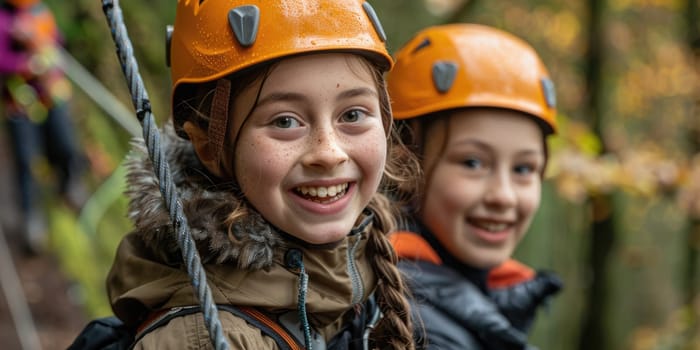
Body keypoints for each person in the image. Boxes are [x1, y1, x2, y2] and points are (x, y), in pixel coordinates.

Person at [102, 1, 416, 349]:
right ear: (208, 145)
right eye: (284, 121)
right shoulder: (205, 338)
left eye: (353, 115)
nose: (329, 153)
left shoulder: (352, 282)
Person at [386, 23, 563, 349]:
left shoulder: (473, 307)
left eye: (524, 169)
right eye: (472, 163)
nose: (503, 196)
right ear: (404, 164)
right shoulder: (407, 326)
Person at [0, 0, 87, 253]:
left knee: (66, 143)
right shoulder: (4, 20)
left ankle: (70, 186)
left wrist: (41, 45)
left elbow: (57, 42)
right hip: (20, 104)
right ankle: (31, 221)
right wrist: (28, 64)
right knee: (26, 160)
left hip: (51, 95)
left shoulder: (40, 11)